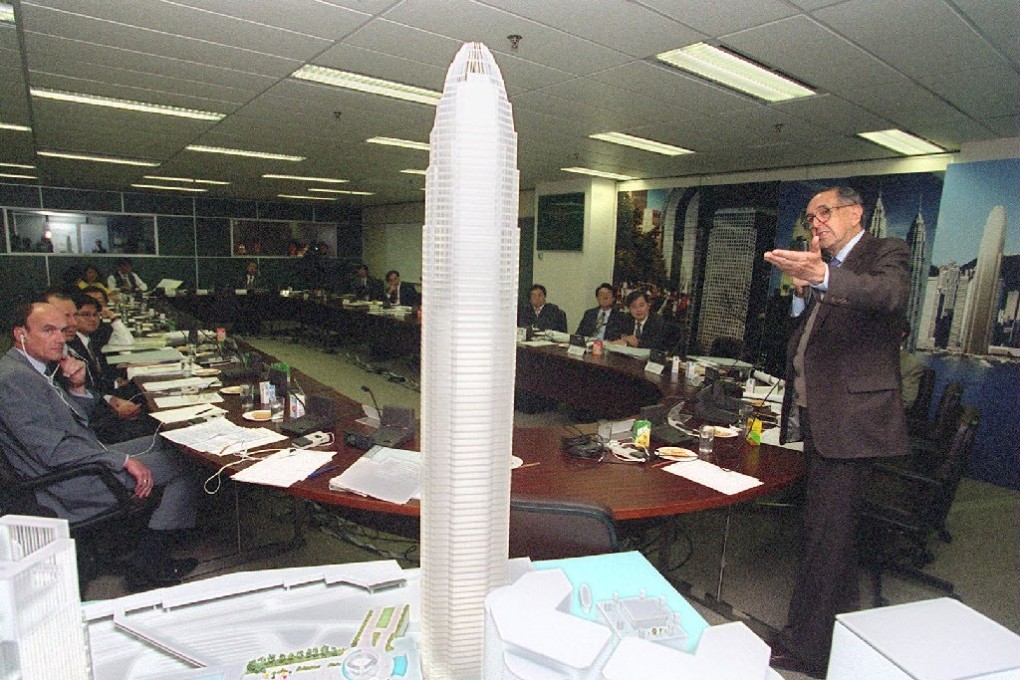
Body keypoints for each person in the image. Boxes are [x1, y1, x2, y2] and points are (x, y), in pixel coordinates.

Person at [763, 186, 910, 677]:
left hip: (852, 424)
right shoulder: (822, 268)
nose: (816, 223)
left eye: (824, 213)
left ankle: (804, 649)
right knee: (832, 535)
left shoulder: (883, 253)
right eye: (810, 217)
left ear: (855, 213)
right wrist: (806, 291)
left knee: (826, 537)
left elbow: (885, 295)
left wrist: (822, 275)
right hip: (821, 418)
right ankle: (835, 639)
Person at [0, 302, 199, 587]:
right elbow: (52, 451)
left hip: (87, 457)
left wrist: (78, 387)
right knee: (187, 462)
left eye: (61, 330)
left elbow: (74, 422)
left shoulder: (31, 368)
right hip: (67, 484)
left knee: (172, 441)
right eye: (48, 331)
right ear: (20, 333)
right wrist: (119, 461)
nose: (59, 338)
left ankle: (151, 548)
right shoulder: (14, 380)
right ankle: (147, 563)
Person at [611, 290, 676, 353]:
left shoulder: (657, 321)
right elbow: (613, 334)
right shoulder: (626, 318)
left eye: (641, 305)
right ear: (629, 309)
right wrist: (624, 337)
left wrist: (637, 343)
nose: (638, 310)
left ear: (648, 305)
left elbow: (656, 345)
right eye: (633, 307)